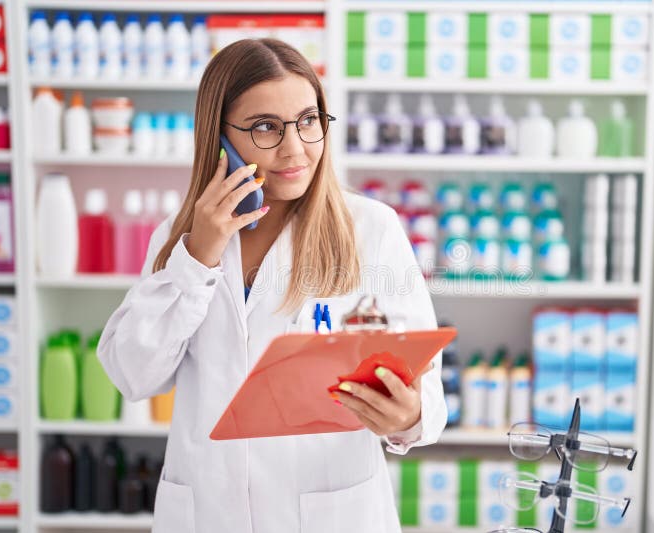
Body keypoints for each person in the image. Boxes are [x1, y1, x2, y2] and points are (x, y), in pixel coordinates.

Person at [97, 39, 446, 533]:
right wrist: (199, 256)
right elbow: (134, 375)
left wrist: (408, 416)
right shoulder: (179, 239)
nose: (295, 148)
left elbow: (427, 392)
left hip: (331, 514)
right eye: (265, 127)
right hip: (210, 512)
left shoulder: (371, 229)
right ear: (218, 136)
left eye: (308, 120)